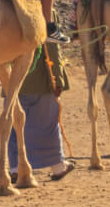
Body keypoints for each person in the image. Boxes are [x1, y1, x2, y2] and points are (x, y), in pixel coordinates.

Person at [5, 42, 73, 180]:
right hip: (40, 83)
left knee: (15, 127)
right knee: (48, 125)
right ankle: (58, 167)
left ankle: (15, 169)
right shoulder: (42, 21)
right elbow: (52, 48)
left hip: (12, 82)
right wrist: (58, 80)